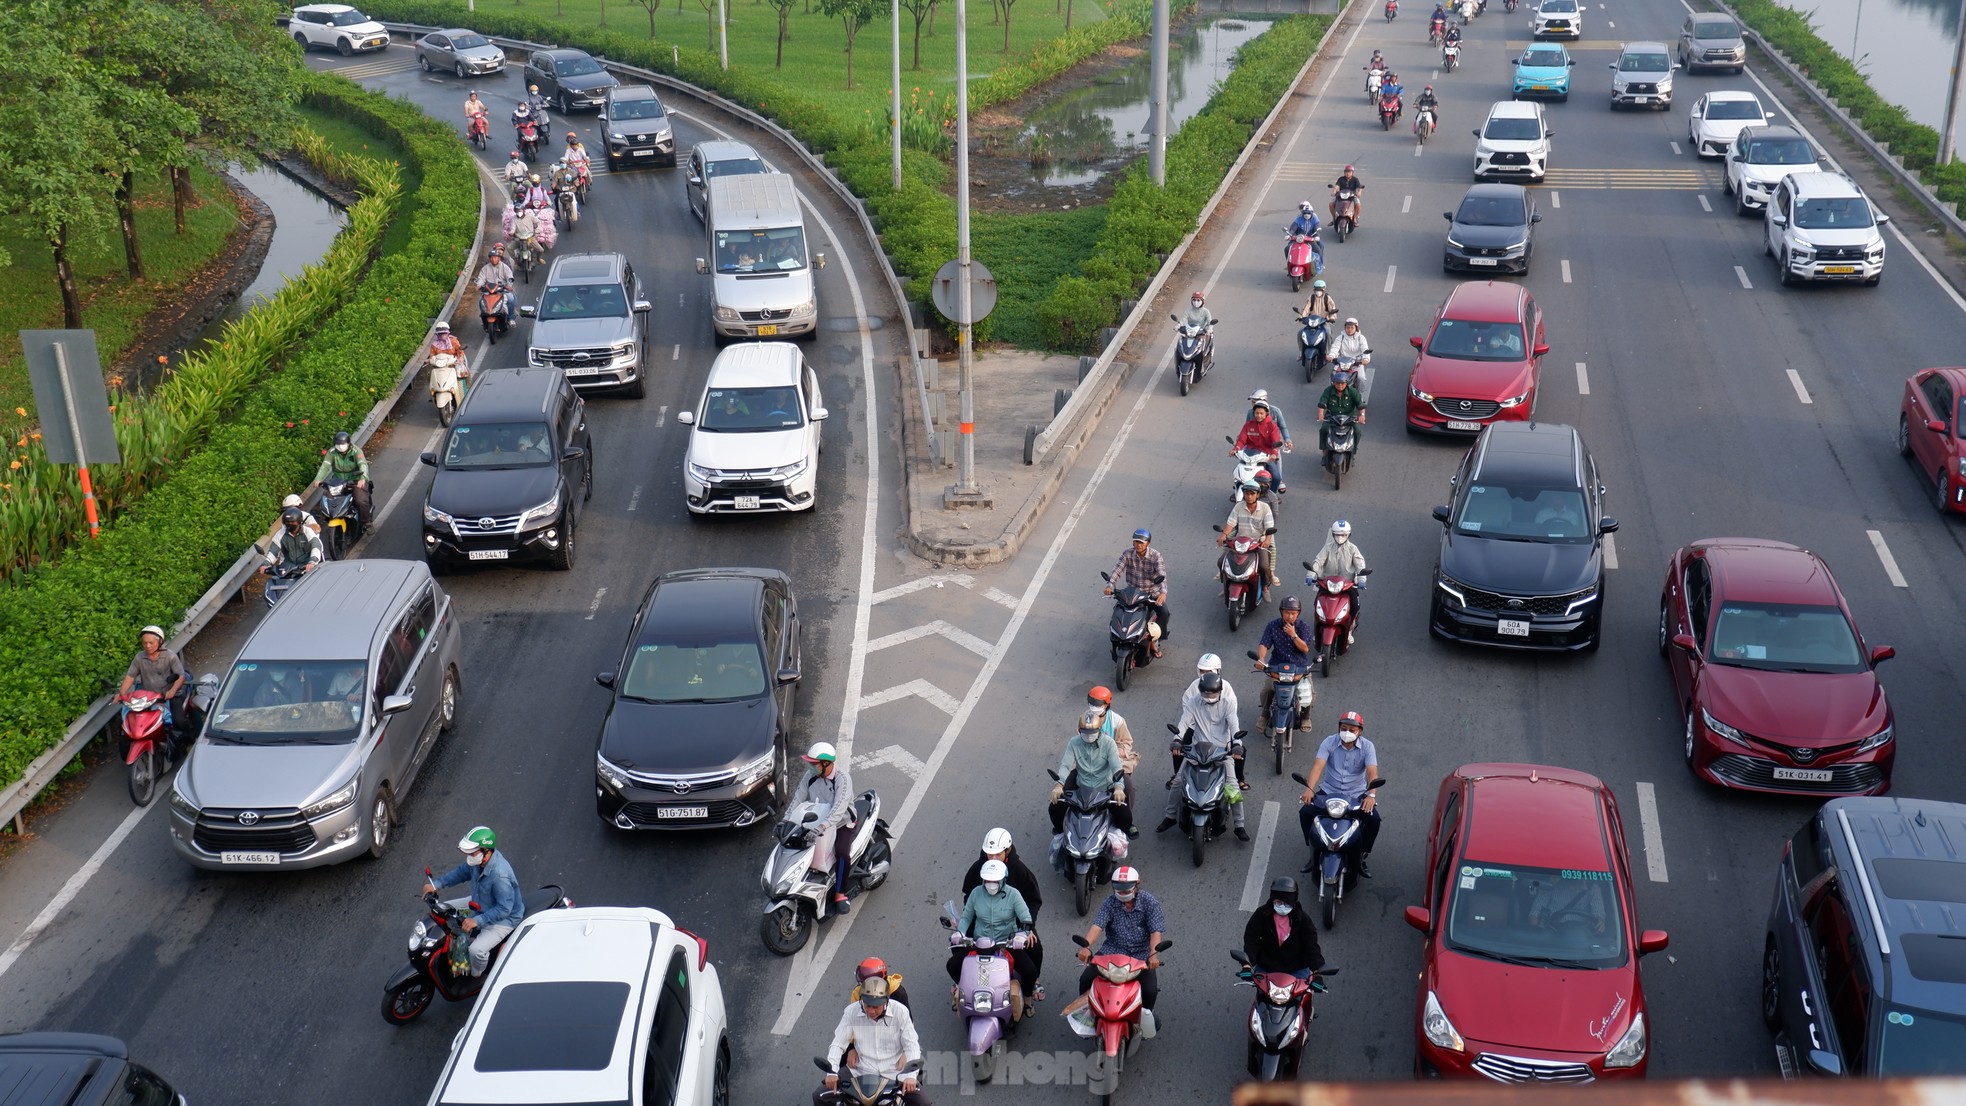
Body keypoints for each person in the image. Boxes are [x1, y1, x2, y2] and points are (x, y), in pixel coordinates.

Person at [423, 826, 525, 976]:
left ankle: (477, 976)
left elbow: (504, 909)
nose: (470, 856)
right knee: (444, 908)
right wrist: (436, 884)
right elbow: (461, 873)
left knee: (476, 951)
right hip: (480, 902)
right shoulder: (478, 862)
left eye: (473, 852)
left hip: (503, 919)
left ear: (486, 851)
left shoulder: (500, 876)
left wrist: (477, 921)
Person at [1159, 671, 1249, 840]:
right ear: (1200, 691)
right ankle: (1170, 816)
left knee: (1232, 786)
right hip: (1197, 750)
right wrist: (1177, 740)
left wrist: (1237, 745)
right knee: (1178, 781)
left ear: (1220, 691)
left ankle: (1239, 825)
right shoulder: (1193, 702)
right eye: (1205, 692)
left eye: (1212, 692)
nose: (1208, 696)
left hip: (1222, 752)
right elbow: (1184, 723)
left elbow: (1234, 726)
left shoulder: (1228, 704)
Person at [946, 859, 1040, 1014]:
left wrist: (1022, 935)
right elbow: (966, 917)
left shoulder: (1013, 895)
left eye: (995, 880)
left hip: (1006, 943)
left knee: (1030, 971)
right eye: (987, 880)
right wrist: (960, 933)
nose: (991, 883)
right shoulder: (976, 893)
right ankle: (963, 988)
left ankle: (1028, 998)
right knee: (952, 966)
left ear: (1003, 879)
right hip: (980, 943)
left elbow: (1026, 919)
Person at [818, 974, 926, 1106]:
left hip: (894, 1072)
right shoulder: (851, 1012)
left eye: (876, 1007)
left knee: (922, 1102)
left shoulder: (900, 1012)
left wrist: (910, 1076)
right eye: (867, 1005)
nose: (871, 1011)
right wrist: (832, 1072)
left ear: (886, 1002)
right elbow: (838, 1043)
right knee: (819, 1096)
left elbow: (912, 1045)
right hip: (861, 1070)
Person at [1297, 711, 1380, 878]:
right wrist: (1309, 789)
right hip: (1329, 791)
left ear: (1360, 731)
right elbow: (1318, 767)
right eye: (1344, 728)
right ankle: (1312, 851)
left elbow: (1372, 773)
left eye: (1352, 729)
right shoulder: (1329, 742)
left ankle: (1362, 856)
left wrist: (1371, 796)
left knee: (1374, 820)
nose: (1347, 733)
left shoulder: (1368, 747)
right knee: (1305, 813)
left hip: (1356, 795)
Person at [1077, 866, 1166, 1013]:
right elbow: (1097, 926)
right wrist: (1086, 947)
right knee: (1085, 979)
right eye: (1119, 889)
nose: (1122, 893)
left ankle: (1144, 1018)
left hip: (1141, 956)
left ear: (1137, 885)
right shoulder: (1110, 902)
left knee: (1150, 991)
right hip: (1112, 951)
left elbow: (1155, 932)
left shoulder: (1149, 902)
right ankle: (1086, 1012)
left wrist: (1153, 956)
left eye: (1126, 889)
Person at [791, 742, 857, 915]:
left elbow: (839, 808)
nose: (810, 767)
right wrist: (785, 821)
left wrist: (823, 826)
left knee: (841, 853)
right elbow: (798, 797)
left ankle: (840, 893)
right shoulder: (810, 775)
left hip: (841, 822)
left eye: (814, 764)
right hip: (816, 820)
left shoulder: (842, 779)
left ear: (826, 764)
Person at [1051, 709, 1132, 835]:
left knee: (1125, 815)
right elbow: (1066, 765)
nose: (1089, 735)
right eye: (1085, 732)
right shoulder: (1074, 743)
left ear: (1099, 730)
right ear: (1080, 730)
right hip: (1082, 789)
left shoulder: (1109, 743)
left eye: (1092, 732)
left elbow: (1116, 767)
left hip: (1104, 788)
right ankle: (1061, 834)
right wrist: (1058, 785)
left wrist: (1118, 788)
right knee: (1054, 808)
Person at [120, 624, 190, 751]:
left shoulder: (170, 656)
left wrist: (172, 690)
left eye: (151, 643)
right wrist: (122, 694)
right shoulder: (139, 657)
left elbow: (181, 676)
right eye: (145, 643)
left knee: (179, 720)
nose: (148, 646)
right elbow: (130, 677)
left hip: (170, 696)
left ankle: (190, 741)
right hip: (149, 698)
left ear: (160, 642)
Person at [1241, 877, 1325, 979]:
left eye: (1286, 902)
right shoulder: (1261, 914)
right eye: (1278, 902)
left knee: (1305, 994)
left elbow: (1311, 945)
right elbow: (1251, 939)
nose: (1282, 906)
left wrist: (1317, 972)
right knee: (1260, 994)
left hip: (1296, 970)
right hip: (1266, 968)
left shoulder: (1303, 919)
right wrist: (1247, 964)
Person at [1105, 528, 1169, 653]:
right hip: (1132, 592)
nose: (1138, 545)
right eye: (1136, 542)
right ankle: (1118, 637)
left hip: (1151, 593)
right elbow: (1118, 570)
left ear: (1148, 543)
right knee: (1117, 611)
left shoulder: (1155, 556)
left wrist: (1163, 593)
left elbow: (1162, 574)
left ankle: (1156, 640)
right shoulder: (1127, 553)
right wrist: (1110, 585)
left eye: (1141, 543)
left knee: (1164, 612)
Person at [1254, 596, 1314, 727]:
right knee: (1267, 690)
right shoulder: (1273, 626)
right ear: (1281, 612)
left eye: (1293, 613)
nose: (1290, 616)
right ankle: (1264, 715)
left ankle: (1305, 718)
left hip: (1299, 667)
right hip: (1277, 666)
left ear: (1298, 613)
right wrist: (1261, 659)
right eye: (1287, 613)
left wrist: (1293, 635)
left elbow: (1305, 648)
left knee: (1308, 692)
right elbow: (1264, 644)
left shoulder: (1303, 627)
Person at [1084, 686, 1140, 822]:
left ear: (1106, 705)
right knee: (1069, 787)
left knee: (1127, 788)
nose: (1094, 708)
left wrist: (1120, 750)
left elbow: (1127, 742)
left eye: (1097, 705)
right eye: (1091, 704)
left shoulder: (1117, 721)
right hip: (1089, 761)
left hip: (1114, 762)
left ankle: (1126, 821)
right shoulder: (1085, 719)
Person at [1221, 480, 1280, 588]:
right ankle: (1226, 584)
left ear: (1257, 495)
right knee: (1221, 562)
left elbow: (1269, 527)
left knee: (1263, 566)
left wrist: (1266, 540)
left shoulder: (1265, 508)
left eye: (1252, 494)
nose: (1249, 497)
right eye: (1246, 493)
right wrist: (1223, 535)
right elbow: (1231, 523)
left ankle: (1265, 586)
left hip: (1258, 543)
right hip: (1241, 542)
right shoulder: (1238, 506)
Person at [313, 431, 372, 527]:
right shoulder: (332, 452)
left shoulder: (356, 451)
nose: (340, 446)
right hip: (338, 482)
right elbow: (325, 466)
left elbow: (363, 465)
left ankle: (367, 522)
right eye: (338, 444)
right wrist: (318, 479)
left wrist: (362, 478)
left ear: (348, 443)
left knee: (360, 500)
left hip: (355, 480)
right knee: (327, 499)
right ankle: (329, 519)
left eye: (343, 444)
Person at [1234, 400, 1289, 496]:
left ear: (1266, 413)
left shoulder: (1272, 426)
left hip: (1265, 457)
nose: (1259, 415)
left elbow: (1276, 442)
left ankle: (1272, 496)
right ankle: (1237, 490)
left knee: (1276, 478)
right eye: (1256, 413)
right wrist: (1235, 449)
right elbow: (1242, 440)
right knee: (1237, 474)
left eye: (1261, 413)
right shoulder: (1248, 425)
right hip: (1249, 456)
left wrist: (1273, 454)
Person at [1528, 872, 1613, 933]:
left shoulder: (1593, 889)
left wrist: (1600, 923)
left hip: (1582, 940)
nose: (1574, 875)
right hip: (1551, 936)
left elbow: (1599, 917)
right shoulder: (1550, 885)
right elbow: (1534, 915)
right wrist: (1537, 935)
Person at [1246, 391, 1294, 490]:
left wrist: (1287, 440)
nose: (1253, 404)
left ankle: (1279, 480)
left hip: (1272, 444)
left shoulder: (1275, 412)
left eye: (1255, 401)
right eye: (1252, 402)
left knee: (1277, 458)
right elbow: (1246, 428)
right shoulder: (1250, 412)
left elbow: (1283, 427)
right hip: (1256, 443)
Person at [1325, 318, 1373, 407]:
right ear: (1345, 328)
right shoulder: (1340, 337)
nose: (1349, 329)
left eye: (1352, 327)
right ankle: (1330, 395)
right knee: (1333, 376)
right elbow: (1335, 348)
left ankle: (1359, 396)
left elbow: (1365, 350)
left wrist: (1365, 359)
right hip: (1341, 362)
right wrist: (1331, 356)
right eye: (1348, 327)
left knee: (1361, 378)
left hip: (1356, 363)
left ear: (1356, 328)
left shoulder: (1361, 338)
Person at [264, 506, 324, 576]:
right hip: (286, 570)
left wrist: (312, 562)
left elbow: (316, 546)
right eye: (287, 522)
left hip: (305, 569)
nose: (290, 524)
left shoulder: (307, 532)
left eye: (293, 522)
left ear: (299, 521)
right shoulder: (280, 534)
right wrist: (266, 564)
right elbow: (273, 551)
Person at [475, 245, 516, 325]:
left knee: (511, 299)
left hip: (502, 290)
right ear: (489, 258)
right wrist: (479, 285)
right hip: (489, 291)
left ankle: (510, 318)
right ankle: (483, 317)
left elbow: (510, 277)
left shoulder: (505, 267)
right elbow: (481, 278)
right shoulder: (485, 268)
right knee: (481, 301)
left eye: (495, 257)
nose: (493, 259)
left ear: (499, 258)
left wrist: (509, 285)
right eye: (492, 257)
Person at [1284, 201, 1324, 273]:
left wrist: (1317, 236)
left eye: (1308, 213)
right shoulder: (1298, 219)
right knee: (1287, 249)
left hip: (1310, 239)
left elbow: (1317, 228)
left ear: (1312, 212)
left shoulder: (1315, 219)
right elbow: (1293, 228)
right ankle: (1289, 264)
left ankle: (1319, 265)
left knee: (1318, 249)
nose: (1306, 214)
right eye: (1305, 213)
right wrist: (1289, 235)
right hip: (1298, 238)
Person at [511, 205, 543, 269]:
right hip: (519, 238)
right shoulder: (514, 219)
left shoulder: (530, 217)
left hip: (530, 238)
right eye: (517, 211)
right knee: (509, 248)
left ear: (523, 211)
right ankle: (516, 262)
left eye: (520, 211)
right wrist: (511, 232)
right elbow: (513, 228)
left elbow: (538, 222)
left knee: (540, 250)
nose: (519, 212)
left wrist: (537, 229)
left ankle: (538, 259)